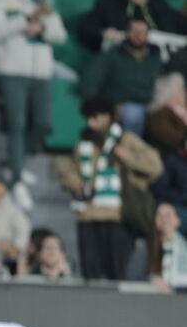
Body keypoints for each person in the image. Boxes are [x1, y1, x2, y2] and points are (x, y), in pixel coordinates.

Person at [0, 0, 66, 207]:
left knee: (44, 124)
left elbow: (60, 35)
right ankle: (17, 179)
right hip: (12, 68)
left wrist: (43, 28)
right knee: (17, 124)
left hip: (41, 70)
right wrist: (27, 19)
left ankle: (17, 162)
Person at [60, 97, 163, 280]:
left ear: (107, 117)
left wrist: (128, 157)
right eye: (88, 117)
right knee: (90, 274)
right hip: (88, 215)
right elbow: (68, 169)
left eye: (95, 116)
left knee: (117, 272)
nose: (91, 122)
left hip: (117, 217)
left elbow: (155, 166)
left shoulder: (126, 140)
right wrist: (74, 181)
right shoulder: (84, 142)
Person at [79, 18, 165, 136]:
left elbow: (167, 80)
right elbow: (90, 80)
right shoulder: (112, 55)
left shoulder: (156, 57)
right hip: (122, 104)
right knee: (132, 113)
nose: (139, 36)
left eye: (143, 32)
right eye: (135, 31)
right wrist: (103, 107)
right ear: (128, 32)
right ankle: (132, 149)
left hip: (153, 103)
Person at [78, 0, 187, 52]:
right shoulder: (107, 5)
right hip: (127, 56)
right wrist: (103, 33)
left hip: (166, 53)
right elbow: (86, 28)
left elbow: (180, 21)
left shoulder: (158, 3)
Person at [149, 202, 187, 293]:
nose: (164, 220)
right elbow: (132, 276)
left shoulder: (184, 248)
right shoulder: (144, 248)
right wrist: (151, 279)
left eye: (168, 215)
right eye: (160, 216)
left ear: (177, 221)